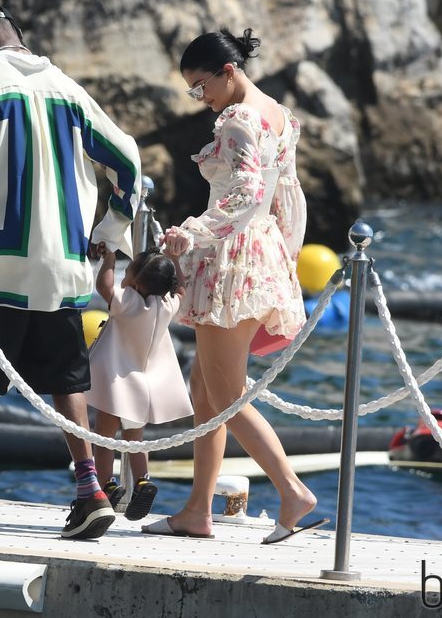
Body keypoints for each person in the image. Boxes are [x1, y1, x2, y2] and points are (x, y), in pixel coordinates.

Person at [0, 4, 141, 540]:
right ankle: (90, 491)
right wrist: (110, 230)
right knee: (67, 381)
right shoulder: (67, 88)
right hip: (63, 265)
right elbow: (128, 160)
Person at [142, 28, 325, 544]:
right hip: (260, 252)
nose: (200, 98)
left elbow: (246, 190)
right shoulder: (280, 115)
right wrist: (286, 260)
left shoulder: (238, 118)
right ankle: (198, 510)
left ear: (228, 72)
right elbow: (288, 198)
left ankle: (292, 491)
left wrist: (193, 231)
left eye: (201, 86)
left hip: (232, 258)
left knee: (224, 394)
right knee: (205, 390)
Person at [87, 245, 193, 521]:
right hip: (144, 387)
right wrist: (175, 259)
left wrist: (109, 258)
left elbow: (103, 286)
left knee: (104, 437)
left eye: (127, 273)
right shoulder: (167, 306)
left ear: (135, 283)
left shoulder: (128, 302)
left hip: (117, 382)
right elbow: (182, 290)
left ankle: (107, 485)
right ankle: (143, 480)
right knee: (135, 439)